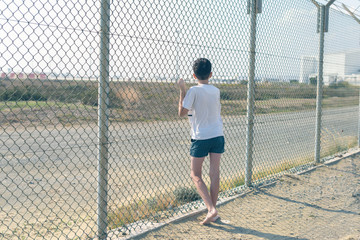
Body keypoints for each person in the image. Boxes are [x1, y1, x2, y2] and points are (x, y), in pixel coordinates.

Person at [177, 58, 225, 225]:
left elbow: (181, 113)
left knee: (195, 174)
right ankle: (213, 210)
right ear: (211, 74)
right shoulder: (216, 90)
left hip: (201, 137)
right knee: (214, 173)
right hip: (218, 135)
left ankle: (211, 209)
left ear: (193, 74)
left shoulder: (193, 91)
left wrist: (182, 90)